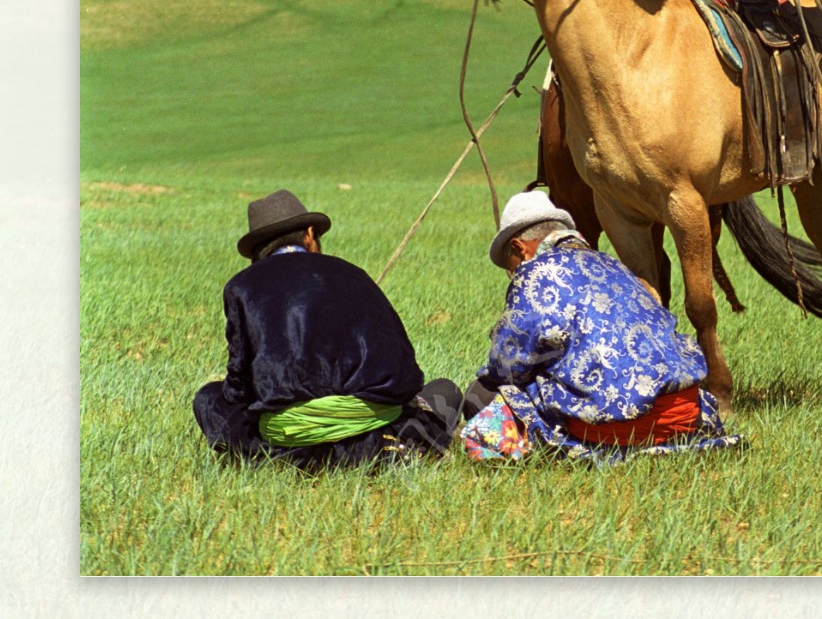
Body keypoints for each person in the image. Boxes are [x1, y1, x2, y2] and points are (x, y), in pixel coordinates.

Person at [460, 190, 739, 463]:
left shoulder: (534, 273)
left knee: (481, 392)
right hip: (685, 413)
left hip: (620, 428)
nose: (514, 273)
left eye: (512, 266)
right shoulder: (613, 264)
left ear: (520, 248)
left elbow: (506, 366)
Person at [192, 189, 461, 470]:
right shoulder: (354, 273)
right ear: (309, 235)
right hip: (375, 439)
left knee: (208, 399)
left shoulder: (241, 287)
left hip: (289, 449)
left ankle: (265, 461)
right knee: (446, 390)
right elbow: (408, 376)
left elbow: (238, 389)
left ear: (258, 252)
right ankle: (398, 448)